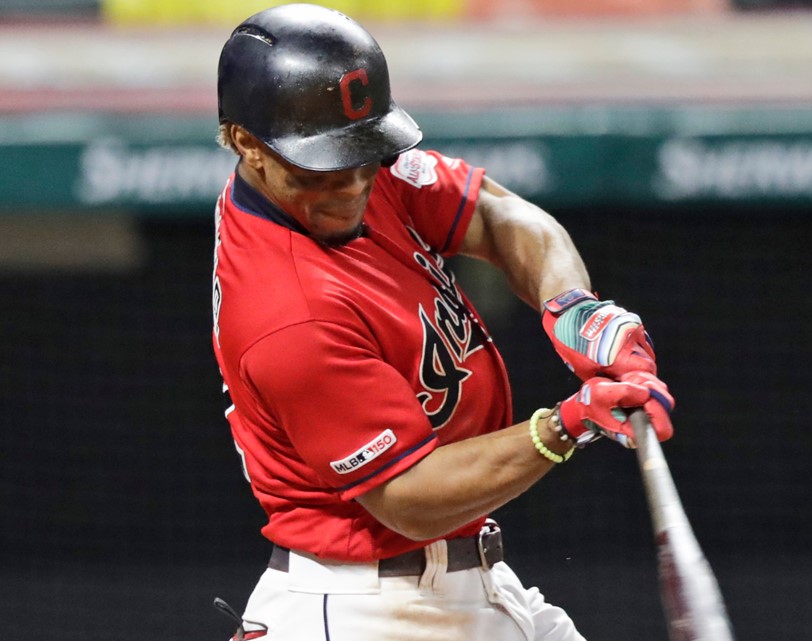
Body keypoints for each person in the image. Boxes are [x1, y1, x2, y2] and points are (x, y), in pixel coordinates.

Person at [209, 4, 675, 641]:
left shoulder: (354, 164)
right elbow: (410, 499)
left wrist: (575, 311)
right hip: (369, 610)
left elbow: (499, 216)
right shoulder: (287, 312)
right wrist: (564, 424)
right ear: (244, 142)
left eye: (364, 157)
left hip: (457, 585)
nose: (353, 185)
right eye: (323, 168)